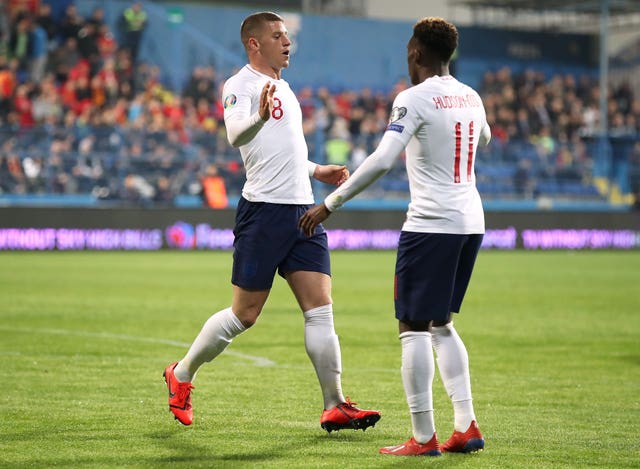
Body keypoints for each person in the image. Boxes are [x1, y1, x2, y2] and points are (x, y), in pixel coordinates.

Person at [164, 11, 381, 433]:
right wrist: (260, 116)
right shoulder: (240, 86)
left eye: (287, 36)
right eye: (278, 36)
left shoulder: (286, 89)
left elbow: (286, 152)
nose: (287, 42)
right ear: (254, 44)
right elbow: (235, 135)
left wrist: (316, 171)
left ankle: (334, 404)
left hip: (304, 212)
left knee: (320, 310)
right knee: (244, 315)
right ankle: (182, 374)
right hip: (263, 212)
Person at [299, 17, 489, 456]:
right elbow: (484, 138)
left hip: (431, 224)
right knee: (442, 324)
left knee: (413, 327)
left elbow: (384, 160)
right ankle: (466, 425)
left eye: (409, 49)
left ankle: (424, 437)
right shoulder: (471, 95)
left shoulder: (413, 98)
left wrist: (331, 203)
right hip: (470, 220)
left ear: (417, 53)